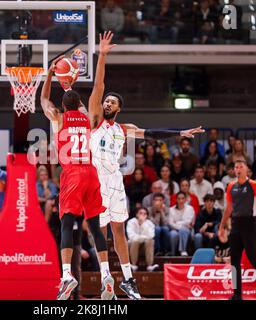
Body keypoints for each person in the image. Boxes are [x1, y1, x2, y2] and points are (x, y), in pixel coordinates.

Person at [86, 31, 203, 300]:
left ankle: (128, 280)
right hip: (97, 180)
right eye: (106, 101)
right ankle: (106, 276)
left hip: (115, 181)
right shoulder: (95, 120)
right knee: (100, 230)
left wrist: (180, 132)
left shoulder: (125, 128)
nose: (106, 103)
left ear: (118, 108)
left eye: (111, 102)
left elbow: (152, 133)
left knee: (118, 229)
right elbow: (98, 86)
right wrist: (102, 56)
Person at [40, 48, 114, 300]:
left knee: (67, 224)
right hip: (91, 173)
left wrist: (50, 76)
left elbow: (43, 100)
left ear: (63, 106)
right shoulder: (89, 118)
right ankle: (106, 274)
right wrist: (71, 85)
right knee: (94, 225)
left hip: (72, 174)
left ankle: (66, 276)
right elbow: (89, 95)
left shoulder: (58, 118)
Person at [218, 159, 256, 300]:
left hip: (250, 224)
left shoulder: (254, 185)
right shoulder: (231, 186)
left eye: (240, 167)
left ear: (247, 170)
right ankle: (237, 294)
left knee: (252, 258)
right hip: (236, 225)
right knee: (234, 261)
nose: (238, 169)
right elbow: (229, 209)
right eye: (235, 167)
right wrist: (221, 226)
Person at [168, 191, 195, 256]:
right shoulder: (171, 209)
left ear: (185, 199)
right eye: (179, 199)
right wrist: (182, 225)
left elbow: (188, 221)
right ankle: (173, 253)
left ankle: (183, 250)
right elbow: (170, 223)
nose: (181, 200)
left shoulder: (190, 208)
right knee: (173, 234)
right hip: (175, 230)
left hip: (187, 231)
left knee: (183, 230)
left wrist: (177, 223)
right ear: (176, 200)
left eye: (183, 198)